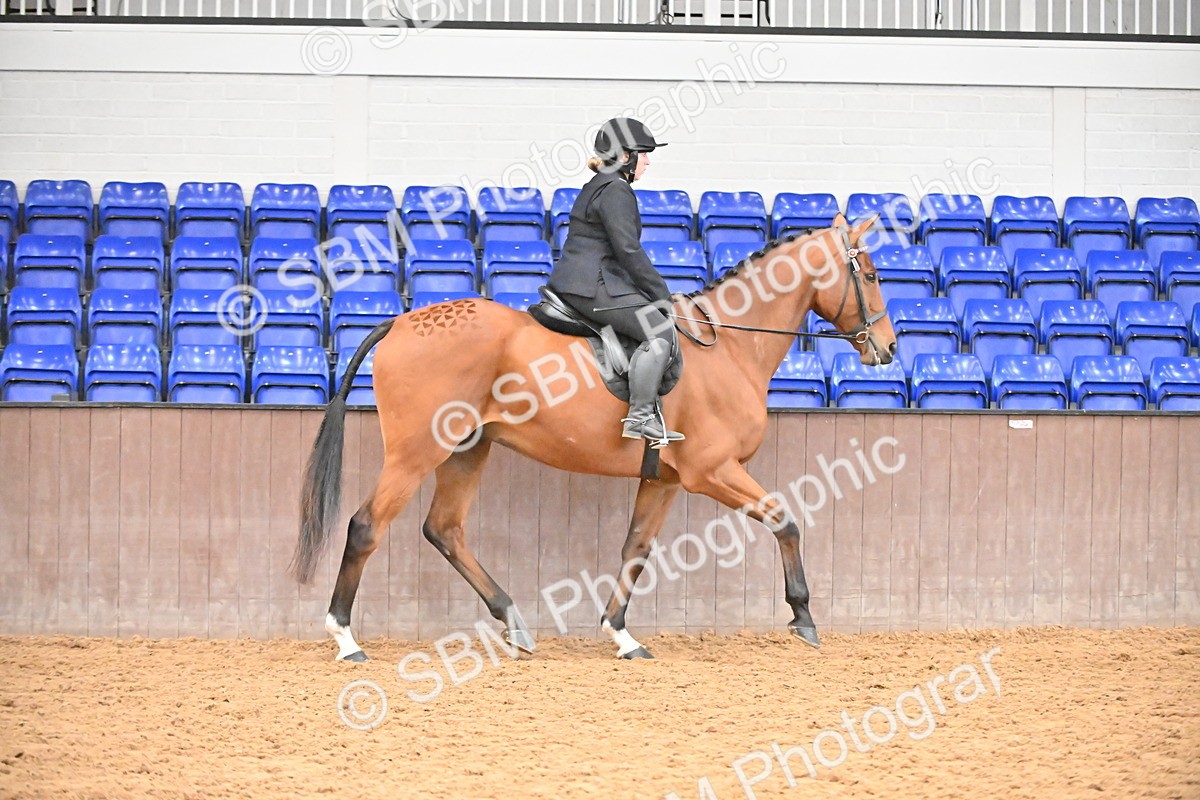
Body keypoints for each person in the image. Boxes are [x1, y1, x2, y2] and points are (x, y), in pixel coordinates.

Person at [547, 117, 684, 444]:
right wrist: (662, 295)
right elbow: (628, 250)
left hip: (580, 281)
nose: (648, 161)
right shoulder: (616, 190)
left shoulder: (598, 185)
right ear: (625, 156)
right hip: (593, 285)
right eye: (644, 154)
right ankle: (639, 418)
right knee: (660, 330)